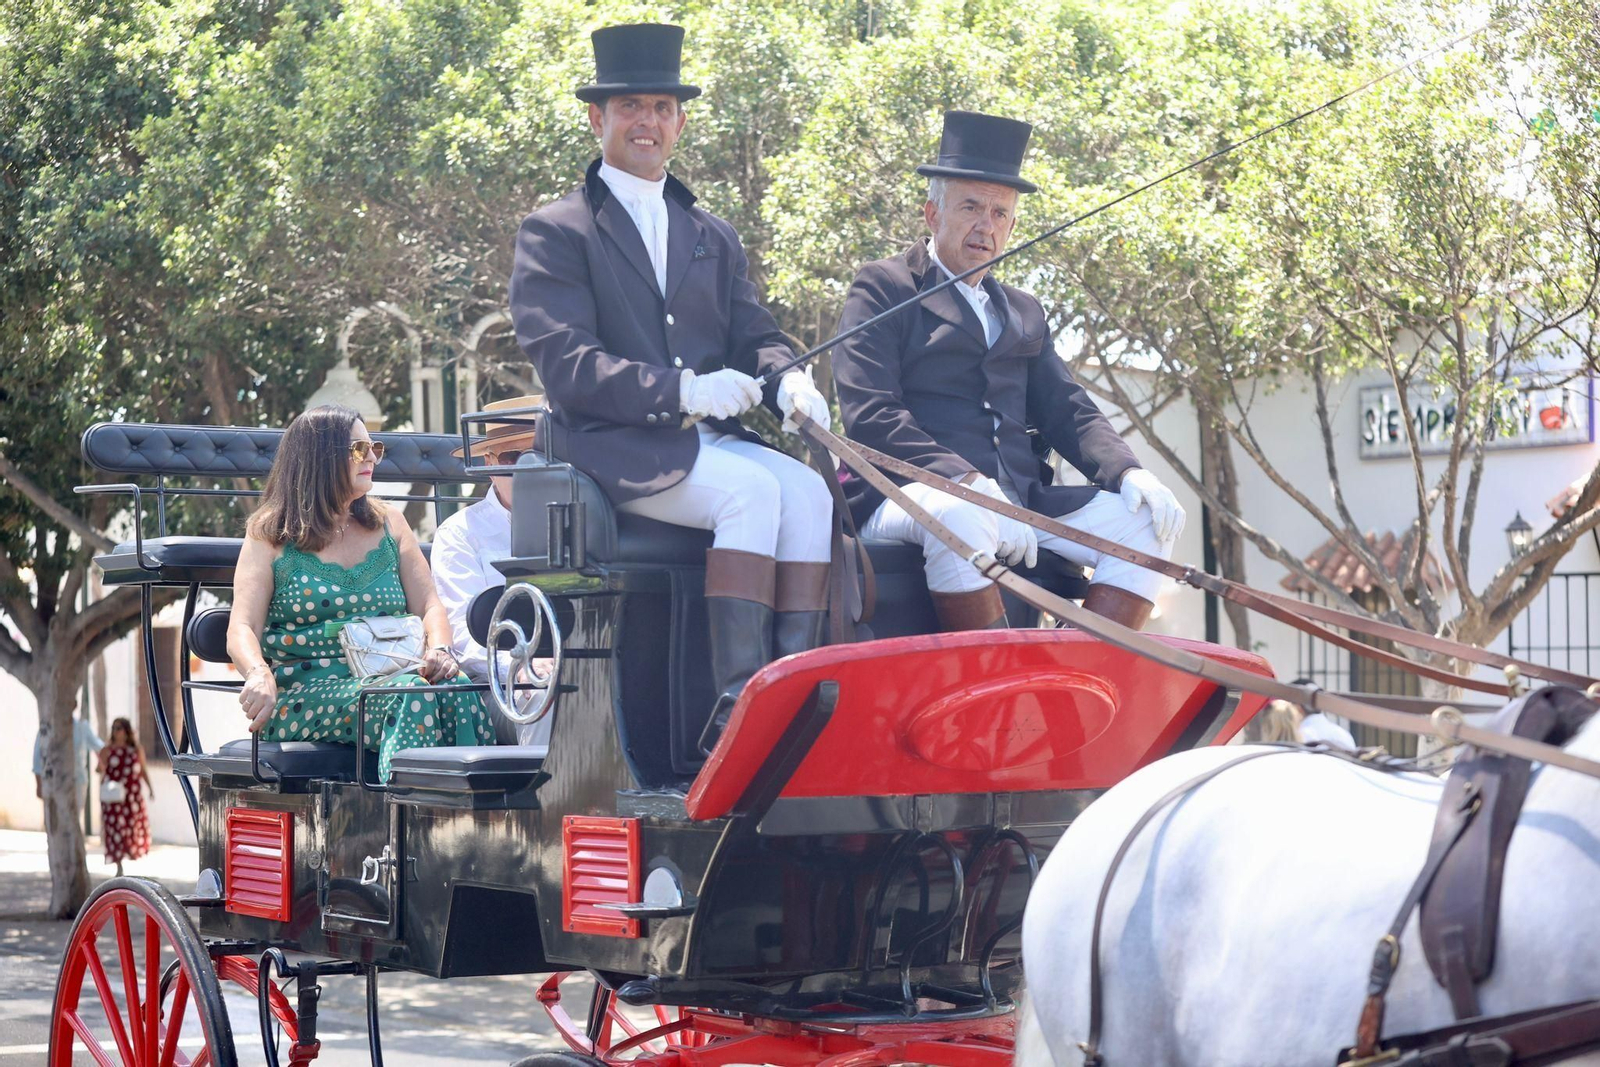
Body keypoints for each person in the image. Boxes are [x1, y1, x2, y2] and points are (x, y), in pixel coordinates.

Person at [509, 23, 834, 751]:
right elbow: (568, 364)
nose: (647, 122)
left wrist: (790, 382)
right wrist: (682, 391)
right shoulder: (556, 230)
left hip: (706, 444)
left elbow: (757, 334)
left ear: (680, 121)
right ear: (599, 119)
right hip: (611, 448)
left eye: (661, 107)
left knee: (809, 491)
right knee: (754, 493)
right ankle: (738, 709)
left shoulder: (710, 233)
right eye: (631, 107)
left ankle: (796, 694)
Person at [833, 110, 1186, 632]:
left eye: (1000, 213)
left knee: (1144, 526)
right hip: (906, 494)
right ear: (932, 214)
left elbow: (1069, 407)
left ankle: (1075, 677)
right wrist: (966, 481)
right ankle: (995, 691)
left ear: (1013, 227)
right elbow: (871, 414)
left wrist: (1127, 471)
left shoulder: (1023, 311)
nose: (986, 225)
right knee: (961, 515)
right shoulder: (884, 287)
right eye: (971, 207)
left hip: (1019, 500)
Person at [227, 404, 495, 782]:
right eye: (358, 449)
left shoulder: (390, 523)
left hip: (396, 675)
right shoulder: (269, 535)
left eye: (375, 448)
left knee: (458, 685)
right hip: (308, 691)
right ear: (320, 459)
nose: (371, 457)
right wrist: (257, 673)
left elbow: (430, 604)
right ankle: (405, 820)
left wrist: (441, 650)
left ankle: (471, 818)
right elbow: (242, 625)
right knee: (411, 695)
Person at [432, 395, 553, 748]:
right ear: (488, 462)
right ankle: (543, 800)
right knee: (544, 695)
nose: (526, 469)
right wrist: (521, 667)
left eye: (538, 456)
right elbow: (462, 641)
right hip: (498, 690)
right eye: (512, 458)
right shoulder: (459, 534)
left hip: (580, 671)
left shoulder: (587, 523)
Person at [95, 717, 153, 876]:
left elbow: (143, 770)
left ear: (126, 730)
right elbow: (100, 769)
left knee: (131, 828)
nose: (115, 731)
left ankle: (132, 855)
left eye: (119, 728)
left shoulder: (136, 749)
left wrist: (150, 788)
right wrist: (102, 758)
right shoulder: (108, 749)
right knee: (115, 830)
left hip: (131, 797)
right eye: (113, 728)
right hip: (113, 798)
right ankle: (118, 864)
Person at [32, 714, 105, 829]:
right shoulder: (47, 727)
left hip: (77, 782)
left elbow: (98, 746)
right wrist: (39, 784)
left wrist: (101, 762)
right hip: (53, 782)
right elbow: (37, 757)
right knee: (54, 821)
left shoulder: (82, 726)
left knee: (72, 821)